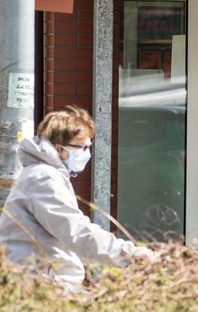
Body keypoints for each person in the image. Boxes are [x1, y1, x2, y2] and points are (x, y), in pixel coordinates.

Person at [0, 105, 155, 290]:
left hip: (41, 280)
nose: (87, 154)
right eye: (82, 148)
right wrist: (129, 254)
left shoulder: (47, 174)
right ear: (59, 148)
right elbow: (75, 231)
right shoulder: (43, 178)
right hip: (38, 284)